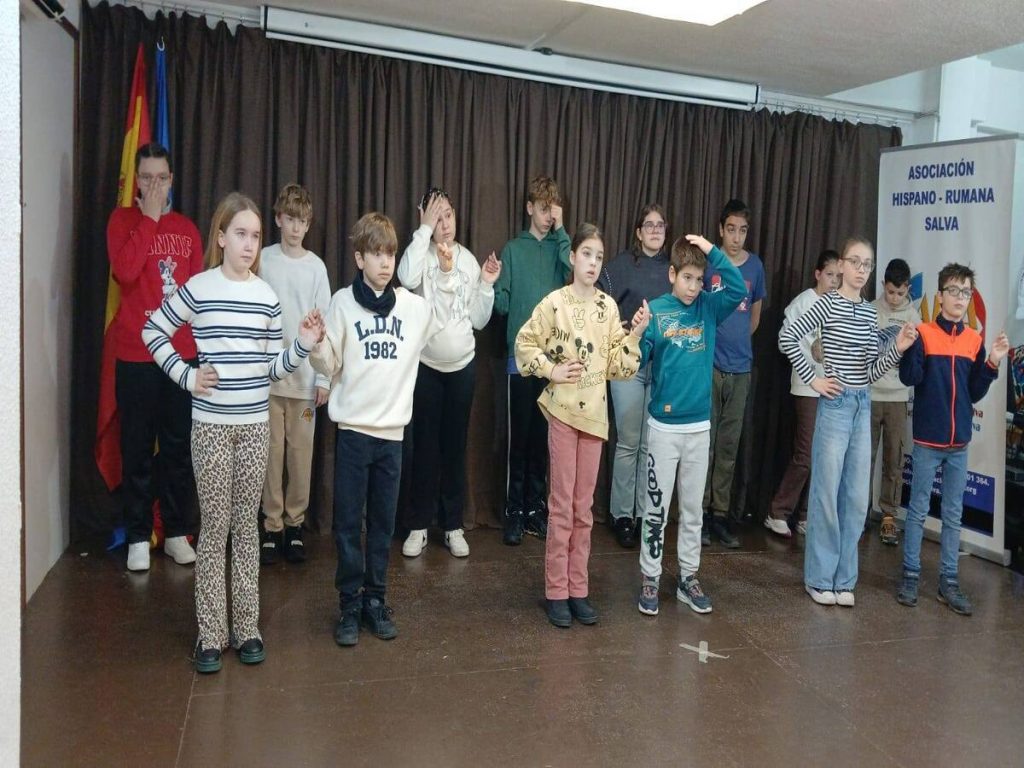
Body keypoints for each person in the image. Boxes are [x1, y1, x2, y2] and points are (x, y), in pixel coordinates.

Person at [142, 192, 319, 673]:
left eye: (255, 236)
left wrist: (303, 345)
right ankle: (210, 633)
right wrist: (186, 375)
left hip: (255, 427)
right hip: (212, 429)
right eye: (240, 234)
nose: (249, 244)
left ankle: (247, 628)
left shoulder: (266, 297)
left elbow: (273, 369)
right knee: (215, 527)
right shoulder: (199, 287)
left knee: (246, 527)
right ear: (221, 237)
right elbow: (153, 331)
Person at [310, 212, 453, 647]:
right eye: (376, 254)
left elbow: (443, 318)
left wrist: (447, 275)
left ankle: (375, 598)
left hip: (392, 436)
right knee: (348, 523)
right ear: (359, 258)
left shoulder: (410, 307)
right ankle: (349, 602)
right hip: (354, 433)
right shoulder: (342, 303)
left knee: (383, 525)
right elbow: (329, 362)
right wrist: (316, 344)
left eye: (390, 253)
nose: (386, 262)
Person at [515, 223, 649, 627]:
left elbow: (619, 367)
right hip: (563, 414)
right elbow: (524, 343)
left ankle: (578, 588)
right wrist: (551, 370)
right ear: (573, 257)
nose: (592, 262)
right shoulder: (554, 303)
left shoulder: (608, 308)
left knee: (583, 508)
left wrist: (635, 335)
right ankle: (557, 590)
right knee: (561, 506)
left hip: (594, 419)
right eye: (586, 254)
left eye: (599, 257)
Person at [779, 237, 917, 608]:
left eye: (867, 264)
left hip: (861, 403)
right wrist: (814, 378)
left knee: (856, 498)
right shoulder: (827, 303)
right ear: (841, 265)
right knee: (826, 493)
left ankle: (844, 580)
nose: (861, 270)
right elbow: (788, 336)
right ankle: (819, 578)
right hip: (836, 404)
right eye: (855, 262)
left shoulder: (870, 314)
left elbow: (870, 371)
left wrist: (898, 349)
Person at [106, 141, 204, 572]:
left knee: (179, 449)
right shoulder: (121, 221)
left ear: (172, 180)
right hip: (136, 355)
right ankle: (137, 536)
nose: (154, 185)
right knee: (137, 448)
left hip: (180, 357)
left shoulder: (187, 230)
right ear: (136, 182)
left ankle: (178, 532)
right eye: (146, 178)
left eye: (161, 178)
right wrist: (147, 219)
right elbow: (125, 272)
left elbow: (197, 295)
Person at [636, 234, 745, 617]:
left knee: (693, 510)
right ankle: (650, 577)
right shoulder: (656, 311)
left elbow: (737, 288)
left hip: (699, 428)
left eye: (699, 279)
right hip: (663, 428)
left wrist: (713, 251)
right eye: (687, 278)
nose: (693, 286)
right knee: (655, 508)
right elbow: (636, 360)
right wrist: (636, 333)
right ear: (672, 274)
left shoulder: (708, 308)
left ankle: (688, 576)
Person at [896, 263, 1010, 615]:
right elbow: (910, 378)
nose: (960, 298)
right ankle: (910, 575)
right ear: (940, 295)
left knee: (953, 515)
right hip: (927, 441)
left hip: (959, 444)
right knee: (917, 511)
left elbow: (974, 393)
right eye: (954, 291)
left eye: (966, 292)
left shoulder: (974, 340)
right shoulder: (924, 333)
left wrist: (992, 362)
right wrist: (905, 348)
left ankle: (949, 581)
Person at [398, 187, 501, 559]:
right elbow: (404, 277)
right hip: (426, 368)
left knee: (455, 449)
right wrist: (424, 230)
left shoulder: (469, 261)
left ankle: (453, 525)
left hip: (462, 370)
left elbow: (479, 319)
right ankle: (418, 526)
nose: (445, 224)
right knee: (423, 448)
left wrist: (486, 284)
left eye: (449, 215)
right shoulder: (420, 255)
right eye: (437, 216)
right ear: (426, 217)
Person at [493, 175, 571, 545]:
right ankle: (514, 511)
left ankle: (536, 510)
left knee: (543, 441)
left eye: (552, 210)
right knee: (518, 441)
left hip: (553, 362)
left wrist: (562, 230)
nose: (547, 216)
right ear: (529, 208)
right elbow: (502, 304)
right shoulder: (513, 250)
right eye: (542, 209)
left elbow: (574, 273)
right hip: (520, 359)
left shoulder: (559, 249)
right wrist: (491, 285)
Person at [258, 183, 331, 565]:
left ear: (309, 224)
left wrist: (324, 378)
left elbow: (325, 326)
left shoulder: (316, 267)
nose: (296, 228)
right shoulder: (264, 260)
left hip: (303, 382)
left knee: (300, 457)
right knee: (271, 456)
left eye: (302, 221)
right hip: (268, 381)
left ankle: (295, 526)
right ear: (278, 219)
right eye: (290, 219)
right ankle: (271, 527)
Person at [598, 204, 670, 548]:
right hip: (627, 364)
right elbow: (598, 300)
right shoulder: (621, 265)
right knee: (628, 441)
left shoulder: (673, 269)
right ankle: (622, 515)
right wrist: (617, 330)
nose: (655, 230)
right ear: (639, 232)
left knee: (650, 444)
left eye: (660, 225)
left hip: (662, 367)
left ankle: (644, 514)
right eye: (649, 225)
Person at [765, 249, 842, 538]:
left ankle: (808, 515)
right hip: (807, 386)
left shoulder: (841, 305)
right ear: (817, 274)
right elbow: (784, 342)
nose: (834, 281)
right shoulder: (803, 303)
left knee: (826, 455)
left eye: (838, 276)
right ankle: (778, 512)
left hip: (833, 387)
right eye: (830, 274)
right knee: (806, 453)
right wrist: (809, 357)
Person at [702, 199, 766, 548]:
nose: (736, 237)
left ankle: (720, 516)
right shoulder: (710, 263)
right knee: (705, 445)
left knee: (728, 447)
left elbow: (754, 317)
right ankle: (698, 515)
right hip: (710, 366)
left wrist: (737, 342)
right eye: (731, 229)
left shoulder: (755, 267)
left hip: (741, 369)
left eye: (742, 230)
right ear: (720, 230)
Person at [869, 258, 919, 546]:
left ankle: (889, 515)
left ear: (908, 289)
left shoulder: (914, 318)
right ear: (883, 285)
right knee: (864, 457)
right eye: (890, 292)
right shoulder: (870, 311)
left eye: (900, 293)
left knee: (894, 459)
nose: (895, 298)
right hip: (869, 394)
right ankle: (858, 511)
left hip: (898, 398)